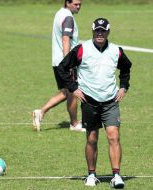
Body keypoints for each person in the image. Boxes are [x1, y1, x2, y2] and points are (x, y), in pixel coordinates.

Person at [57, 18, 132, 188]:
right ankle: (91, 175)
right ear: (92, 31)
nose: (100, 33)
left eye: (103, 31)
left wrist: (124, 87)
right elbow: (62, 68)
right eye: (97, 30)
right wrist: (73, 88)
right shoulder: (82, 49)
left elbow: (126, 68)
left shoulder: (116, 51)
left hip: (111, 101)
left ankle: (116, 176)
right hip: (89, 101)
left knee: (114, 136)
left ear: (108, 32)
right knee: (92, 139)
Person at [32, 0, 84, 132]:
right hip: (65, 62)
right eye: (75, 4)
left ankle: (41, 112)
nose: (78, 7)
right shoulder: (67, 17)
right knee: (72, 92)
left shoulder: (59, 13)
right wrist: (68, 63)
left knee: (65, 92)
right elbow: (66, 39)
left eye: (80, 4)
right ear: (67, 2)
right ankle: (74, 123)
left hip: (57, 62)